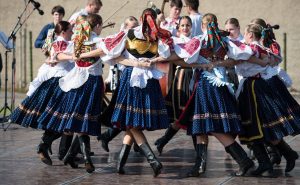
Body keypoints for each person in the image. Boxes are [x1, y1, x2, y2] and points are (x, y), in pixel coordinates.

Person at [173, 13, 255, 177]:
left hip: (206, 85)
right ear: (216, 24)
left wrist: (201, 64)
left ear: (202, 26)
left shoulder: (198, 40)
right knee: (202, 125)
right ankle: (200, 165)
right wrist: (218, 63)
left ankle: (244, 160)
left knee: (211, 125)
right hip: (220, 84)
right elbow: (237, 59)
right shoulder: (225, 40)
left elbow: (179, 58)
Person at [97, 8, 173, 177]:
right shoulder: (137, 34)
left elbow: (115, 57)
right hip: (139, 78)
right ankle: (120, 164)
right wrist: (141, 63)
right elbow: (114, 57)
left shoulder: (154, 36)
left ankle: (153, 161)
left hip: (137, 79)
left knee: (131, 122)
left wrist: (150, 61)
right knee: (132, 121)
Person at [38, 14, 104, 173]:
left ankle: (56, 150)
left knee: (73, 120)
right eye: (100, 26)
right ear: (97, 26)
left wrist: (74, 55)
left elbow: (59, 54)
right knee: (77, 121)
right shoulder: (94, 40)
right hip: (88, 83)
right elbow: (107, 51)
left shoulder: (77, 39)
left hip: (75, 82)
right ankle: (82, 157)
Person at [236, 23, 300, 176]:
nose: (243, 36)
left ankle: (271, 161)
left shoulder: (252, 48)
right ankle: (277, 158)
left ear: (251, 35)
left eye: (245, 33)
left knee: (255, 126)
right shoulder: (258, 48)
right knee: (258, 127)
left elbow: (242, 56)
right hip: (251, 87)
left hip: (254, 88)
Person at [10, 21, 74, 166]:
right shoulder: (59, 42)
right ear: (63, 32)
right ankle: (49, 147)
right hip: (59, 83)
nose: (72, 32)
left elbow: (53, 57)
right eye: (70, 30)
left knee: (62, 119)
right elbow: (58, 55)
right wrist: (72, 56)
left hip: (64, 81)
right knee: (64, 118)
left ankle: (54, 149)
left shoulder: (65, 42)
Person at [154, 16, 195, 155]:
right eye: (182, 25)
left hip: (194, 76)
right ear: (178, 28)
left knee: (190, 115)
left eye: (187, 25)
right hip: (182, 77)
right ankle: (199, 154)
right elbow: (174, 59)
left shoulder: (195, 41)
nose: (185, 28)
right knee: (186, 114)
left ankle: (163, 140)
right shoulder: (176, 41)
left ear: (191, 27)